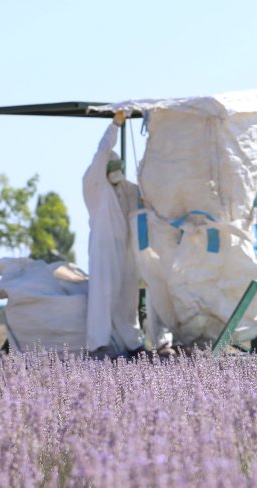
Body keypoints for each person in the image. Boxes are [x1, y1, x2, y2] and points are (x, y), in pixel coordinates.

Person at [81, 111, 143, 358]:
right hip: (103, 248)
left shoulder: (125, 190)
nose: (117, 171)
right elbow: (102, 153)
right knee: (103, 294)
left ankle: (132, 343)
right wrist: (115, 126)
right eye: (112, 167)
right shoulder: (94, 186)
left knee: (128, 296)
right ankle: (98, 344)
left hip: (125, 249)